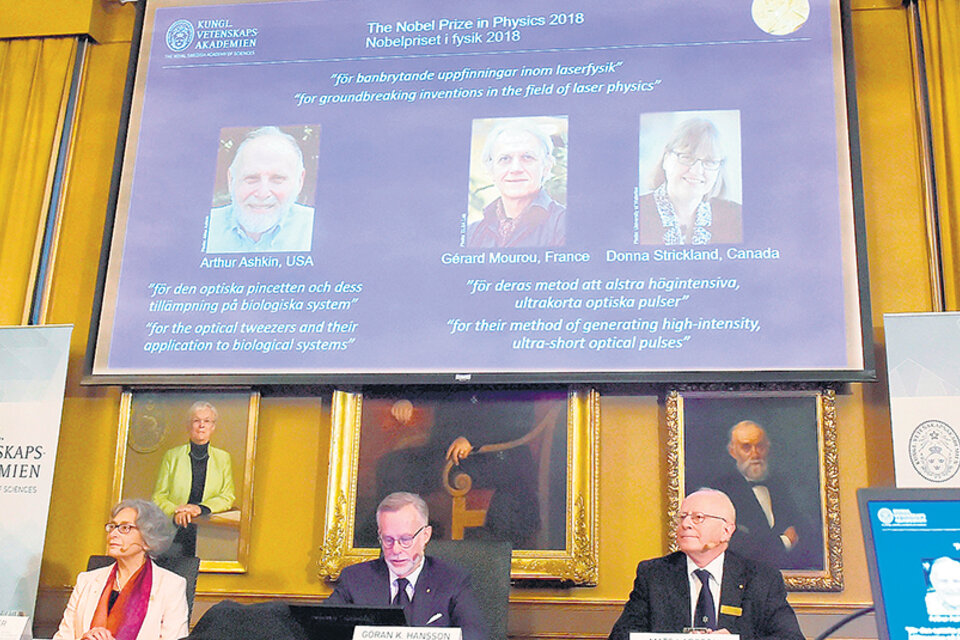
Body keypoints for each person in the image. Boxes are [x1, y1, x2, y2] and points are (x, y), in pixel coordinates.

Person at [608, 488, 803, 640]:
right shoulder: (654, 575)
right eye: (682, 517)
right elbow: (622, 635)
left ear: (726, 530)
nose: (686, 524)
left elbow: (790, 637)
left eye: (698, 518)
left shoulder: (761, 579)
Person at [373, 390, 542, 548]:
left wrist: (471, 440)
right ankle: (394, 541)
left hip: (491, 456)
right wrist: (407, 399)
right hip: (444, 451)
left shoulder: (509, 371)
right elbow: (433, 383)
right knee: (392, 464)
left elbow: (520, 422)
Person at [326, 492, 486, 640]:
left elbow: (474, 635)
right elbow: (320, 628)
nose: (396, 550)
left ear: (425, 536)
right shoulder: (355, 579)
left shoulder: (452, 580)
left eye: (405, 539)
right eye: (388, 540)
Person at [54, 499, 189, 640]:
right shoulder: (86, 581)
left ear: (148, 540)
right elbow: (62, 637)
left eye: (125, 528)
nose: (113, 534)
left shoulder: (171, 586)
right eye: (112, 527)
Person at [713, 420, 818, 570]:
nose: (755, 454)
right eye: (746, 447)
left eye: (760, 446)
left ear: (767, 447)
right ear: (732, 451)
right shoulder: (721, 491)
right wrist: (785, 542)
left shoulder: (780, 486)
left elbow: (805, 532)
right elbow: (737, 546)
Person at [204, 126, 315, 253]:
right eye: (251, 178)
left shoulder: (315, 229)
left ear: (299, 181)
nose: (263, 194)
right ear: (231, 179)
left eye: (277, 179)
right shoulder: (206, 229)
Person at [638, 117, 742, 245]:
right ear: (666, 159)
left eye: (709, 162)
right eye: (687, 157)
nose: (697, 171)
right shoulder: (636, 212)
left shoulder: (736, 216)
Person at [152, 401, 236, 557]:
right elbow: (159, 497)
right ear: (188, 426)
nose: (201, 425)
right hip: (174, 529)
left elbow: (227, 496)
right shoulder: (172, 456)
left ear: (213, 427)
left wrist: (199, 509)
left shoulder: (223, 458)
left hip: (208, 531)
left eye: (207, 421)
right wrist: (177, 511)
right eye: (196, 421)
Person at [466, 121, 565, 248]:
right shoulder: (472, 234)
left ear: (547, 166)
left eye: (527, 157)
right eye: (505, 159)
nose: (515, 169)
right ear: (490, 170)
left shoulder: (564, 224)